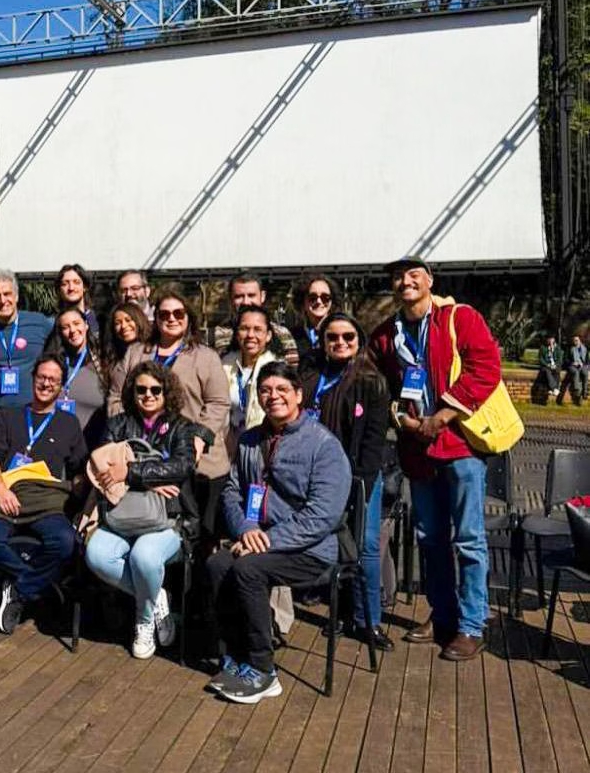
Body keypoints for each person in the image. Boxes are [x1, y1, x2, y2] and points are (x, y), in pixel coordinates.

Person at [369, 256, 503, 661]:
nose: (404, 282)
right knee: (430, 539)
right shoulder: (386, 334)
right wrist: (402, 420)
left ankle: (471, 624)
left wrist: (442, 416)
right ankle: (443, 615)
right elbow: (381, 385)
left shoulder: (458, 318)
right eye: (397, 277)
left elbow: (486, 367)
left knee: (468, 539)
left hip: (460, 446)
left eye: (413, 275)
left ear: (430, 280)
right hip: (418, 450)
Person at [206, 362, 351, 703]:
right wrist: (247, 528)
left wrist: (267, 541)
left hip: (310, 550)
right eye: (266, 391)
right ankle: (235, 656)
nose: (274, 397)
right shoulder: (250, 439)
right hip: (257, 539)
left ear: (299, 395)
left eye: (282, 390)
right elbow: (232, 491)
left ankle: (262, 669)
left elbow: (322, 516)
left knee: (247, 570)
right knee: (216, 565)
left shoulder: (323, 446)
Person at [85, 361, 202, 660]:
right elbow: (102, 465)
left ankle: (144, 620)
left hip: (168, 519)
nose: (148, 395)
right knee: (96, 555)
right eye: (141, 389)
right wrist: (150, 482)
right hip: (120, 516)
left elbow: (182, 466)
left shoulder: (181, 427)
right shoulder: (118, 424)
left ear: (166, 392)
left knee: (144, 557)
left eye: (155, 389)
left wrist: (133, 473)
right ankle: (154, 596)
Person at [300, 313, 392, 651]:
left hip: (360, 476)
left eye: (348, 337)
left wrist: (359, 488)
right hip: (320, 476)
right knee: (335, 545)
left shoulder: (372, 382)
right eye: (333, 337)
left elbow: (373, 442)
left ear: (359, 340)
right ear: (323, 342)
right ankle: (340, 612)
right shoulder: (311, 379)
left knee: (364, 546)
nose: (340, 343)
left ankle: (369, 620)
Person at [0, 356, 87, 633]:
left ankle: (18, 590)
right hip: (5, 495)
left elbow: (78, 469)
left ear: (61, 387)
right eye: (42, 377)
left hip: (45, 502)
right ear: (33, 377)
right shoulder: (10, 414)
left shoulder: (68, 423)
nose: (46, 383)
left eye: (53, 380)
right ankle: (40, 587)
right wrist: (0, 489)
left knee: (64, 542)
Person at [107, 285, 230, 482]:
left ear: (188, 317)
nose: (171, 318)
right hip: (143, 457)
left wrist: (199, 437)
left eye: (178, 313)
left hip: (198, 461)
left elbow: (218, 402)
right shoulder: (136, 353)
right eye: (164, 314)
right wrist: (124, 432)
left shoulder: (206, 357)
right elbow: (116, 397)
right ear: (156, 319)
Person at [0, 268, 54, 420]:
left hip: (34, 413)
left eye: (7, 294)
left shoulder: (39, 323)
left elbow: (72, 329)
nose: (2, 301)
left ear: (16, 296)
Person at [43, 308, 108, 448]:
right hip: (58, 442)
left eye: (76, 323)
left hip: (93, 443)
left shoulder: (103, 362)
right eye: (66, 327)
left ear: (86, 325)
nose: (72, 330)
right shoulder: (54, 363)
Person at [221, 305, 280, 457]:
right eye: (244, 328)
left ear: (268, 335)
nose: (250, 335)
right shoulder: (224, 366)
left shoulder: (276, 370)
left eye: (258, 329)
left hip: (262, 448)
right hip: (227, 449)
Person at [210, 272, 299, 367]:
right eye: (239, 296)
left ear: (263, 296)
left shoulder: (281, 334)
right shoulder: (213, 336)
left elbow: (292, 372)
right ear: (230, 299)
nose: (246, 302)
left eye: (251, 295)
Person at [291, 274, 342, 369]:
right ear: (303, 302)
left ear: (332, 302)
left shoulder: (342, 333)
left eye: (325, 297)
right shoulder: (292, 336)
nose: (319, 302)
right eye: (312, 297)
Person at [102, 302, 152, 398]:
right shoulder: (113, 356)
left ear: (139, 321)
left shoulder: (151, 350)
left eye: (128, 320)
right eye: (118, 323)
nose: (124, 326)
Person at [54, 263, 99, 336]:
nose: (71, 288)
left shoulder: (94, 319)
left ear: (85, 287)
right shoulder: (52, 322)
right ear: (59, 290)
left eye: (76, 282)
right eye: (65, 284)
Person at [560, 334, 587, 406]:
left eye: (576, 340)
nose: (575, 342)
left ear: (580, 340)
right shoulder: (569, 348)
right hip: (572, 366)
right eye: (574, 341)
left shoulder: (584, 348)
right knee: (575, 373)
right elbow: (565, 359)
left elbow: (587, 360)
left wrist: (583, 364)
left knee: (585, 373)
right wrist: (573, 362)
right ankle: (577, 393)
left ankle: (584, 392)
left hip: (581, 365)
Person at [539, 334, 562, 399]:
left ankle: (551, 389)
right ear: (547, 340)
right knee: (547, 371)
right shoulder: (543, 348)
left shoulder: (557, 348)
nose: (550, 341)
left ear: (554, 340)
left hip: (555, 365)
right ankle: (555, 388)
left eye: (551, 339)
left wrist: (555, 365)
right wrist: (547, 364)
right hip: (546, 366)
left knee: (557, 371)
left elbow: (560, 359)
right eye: (549, 339)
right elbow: (541, 359)